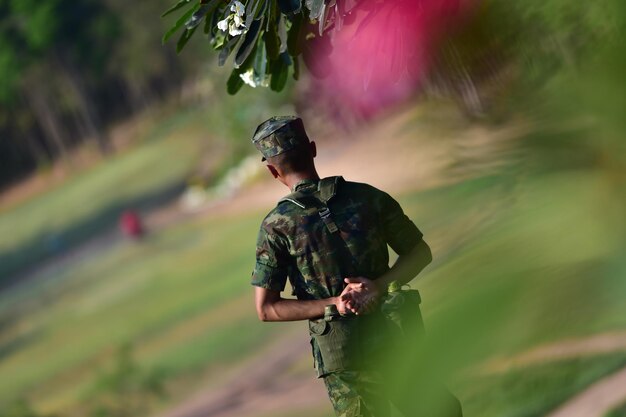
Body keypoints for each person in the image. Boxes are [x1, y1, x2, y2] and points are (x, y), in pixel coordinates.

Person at [250, 116, 462, 417]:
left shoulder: (275, 227)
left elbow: (267, 309)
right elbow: (419, 252)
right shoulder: (368, 197)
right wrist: (377, 286)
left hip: (344, 357)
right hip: (396, 336)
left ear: (272, 170)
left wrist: (336, 303)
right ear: (312, 148)